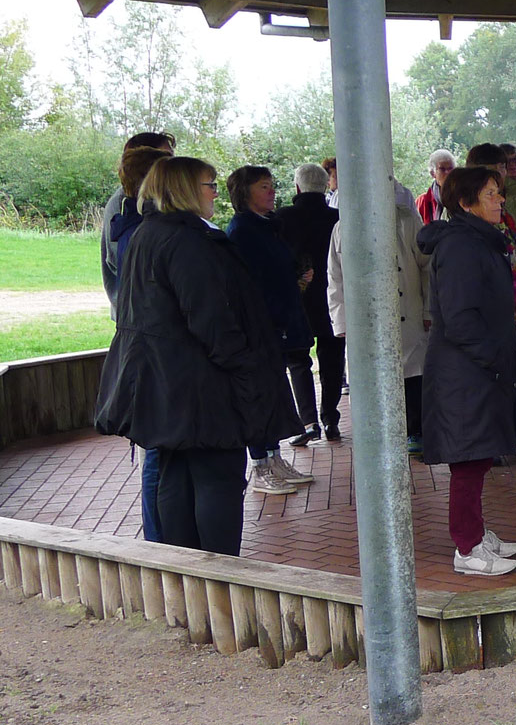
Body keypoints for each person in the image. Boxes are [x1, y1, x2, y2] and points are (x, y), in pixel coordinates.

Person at [95, 157, 300, 556]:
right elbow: (211, 319)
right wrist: (245, 369)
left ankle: (183, 571)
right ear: (185, 189)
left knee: (178, 475)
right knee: (217, 478)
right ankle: (219, 574)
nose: (213, 193)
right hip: (201, 387)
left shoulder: (147, 234)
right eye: (208, 184)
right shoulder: (187, 242)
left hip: (167, 383)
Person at [418, 165, 516, 576]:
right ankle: (467, 548)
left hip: (476, 369)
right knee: (467, 460)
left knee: (478, 457)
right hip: (466, 372)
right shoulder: (462, 246)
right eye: (491, 193)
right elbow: (460, 317)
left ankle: (477, 533)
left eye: (500, 192)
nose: (500, 199)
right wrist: (493, 359)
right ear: (465, 203)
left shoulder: (476, 241)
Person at [224, 165, 316, 496]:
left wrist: (297, 279)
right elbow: (251, 284)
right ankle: (260, 464)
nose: (272, 192)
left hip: (281, 321)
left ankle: (275, 457)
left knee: (276, 391)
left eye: (272, 186)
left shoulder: (267, 227)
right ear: (245, 193)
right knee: (260, 395)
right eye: (264, 187)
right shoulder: (242, 232)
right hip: (261, 327)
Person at [326, 180, 431, 450]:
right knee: (370, 378)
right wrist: (341, 321)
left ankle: (415, 431)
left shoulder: (406, 221)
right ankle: (378, 433)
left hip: (407, 310)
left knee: (412, 375)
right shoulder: (341, 228)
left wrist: (430, 309)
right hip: (364, 319)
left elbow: (427, 269)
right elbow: (335, 279)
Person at [107, 143, 171, 541]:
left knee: (157, 449)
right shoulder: (133, 229)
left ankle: (161, 533)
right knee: (156, 450)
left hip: (145, 347)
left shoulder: (129, 222)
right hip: (150, 350)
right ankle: (158, 536)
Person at [465, 142, 516, 454]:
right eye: (490, 174)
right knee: (493, 376)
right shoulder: (465, 218)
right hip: (491, 314)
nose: (498, 180)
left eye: (500, 170)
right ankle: (492, 439)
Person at [277, 162, 345, 443]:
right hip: (332, 300)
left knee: (298, 360)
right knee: (332, 360)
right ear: (325, 185)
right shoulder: (338, 218)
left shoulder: (281, 219)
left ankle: (308, 422)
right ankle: (330, 419)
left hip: (298, 300)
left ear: (297, 187)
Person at [100, 131, 174, 309]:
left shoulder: (151, 203)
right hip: (137, 311)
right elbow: (122, 262)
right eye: (167, 158)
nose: (173, 165)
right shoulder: (126, 203)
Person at [416, 149, 457, 226]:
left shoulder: (462, 198)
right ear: (432, 173)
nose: (448, 173)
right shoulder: (422, 202)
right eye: (442, 169)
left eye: (450, 168)